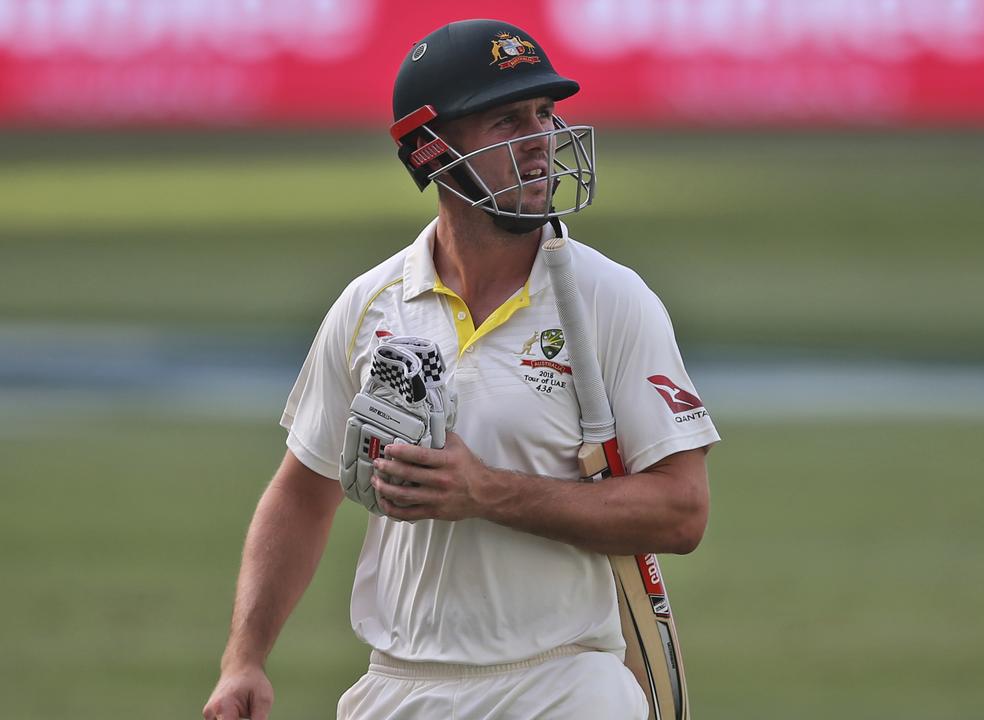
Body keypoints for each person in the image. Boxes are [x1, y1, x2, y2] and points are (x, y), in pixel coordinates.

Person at [203, 18, 718, 720]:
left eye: (544, 113)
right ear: (428, 150)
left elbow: (682, 511)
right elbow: (302, 492)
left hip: (564, 684)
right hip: (397, 688)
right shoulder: (371, 305)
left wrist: (487, 492)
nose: (539, 141)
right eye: (507, 120)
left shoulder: (610, 300)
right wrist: (245, 660)